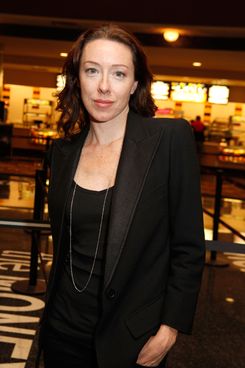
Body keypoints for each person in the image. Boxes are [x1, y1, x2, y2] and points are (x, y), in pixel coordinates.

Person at [38, 24, 205, 368]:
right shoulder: (63, 151)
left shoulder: (169, 140)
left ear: (135, 84)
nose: (103, 86)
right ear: (76, 78)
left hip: (133, 340)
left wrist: (170, 328)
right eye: (92, 70)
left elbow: (188, 245)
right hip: (62, 332)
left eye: (118, 73)